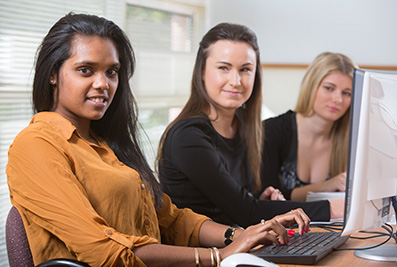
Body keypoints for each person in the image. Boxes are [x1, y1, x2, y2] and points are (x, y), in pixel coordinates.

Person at [6, 13, 311, 267]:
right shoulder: (36, 145)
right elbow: (104, 250)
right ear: (53, 74)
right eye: (85, 70)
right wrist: (220, 255)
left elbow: (174, 220)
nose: (103, 84)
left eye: (112, 72)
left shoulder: (109, 144)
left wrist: (240, 235)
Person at [157, 23, 340, 228]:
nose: (236, 81)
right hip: (206, 255)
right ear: (201, 71)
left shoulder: (246, 129)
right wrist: (335, 208)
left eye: (245, 69)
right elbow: (247, 212)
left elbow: (236, 204)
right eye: (224, 68)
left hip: (244, 244)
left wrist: (261, 198)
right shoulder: (188, 137)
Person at [260, 52, 357, 202]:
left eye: (347, 93)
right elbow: (266, 197)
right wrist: (326, 186)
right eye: (329, 88)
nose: (338, 99)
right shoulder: (271, 131)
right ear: (311, 86)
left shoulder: (353, 140)